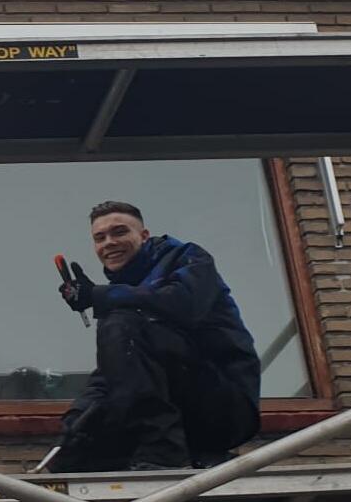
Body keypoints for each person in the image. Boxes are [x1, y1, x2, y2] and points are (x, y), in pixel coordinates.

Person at [47, 200, 261, 473]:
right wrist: (75, 421)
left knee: (122, 322)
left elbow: (183, 302)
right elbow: (113, 374)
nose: (109, 242)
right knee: (73, 454)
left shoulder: (187, 257)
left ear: (144, 236)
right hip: (174, 414)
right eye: (100, 238)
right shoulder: (121, 302)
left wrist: (99, 295)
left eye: (119, 232)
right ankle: (169, 457)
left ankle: (164, 452)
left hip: (224, 408)